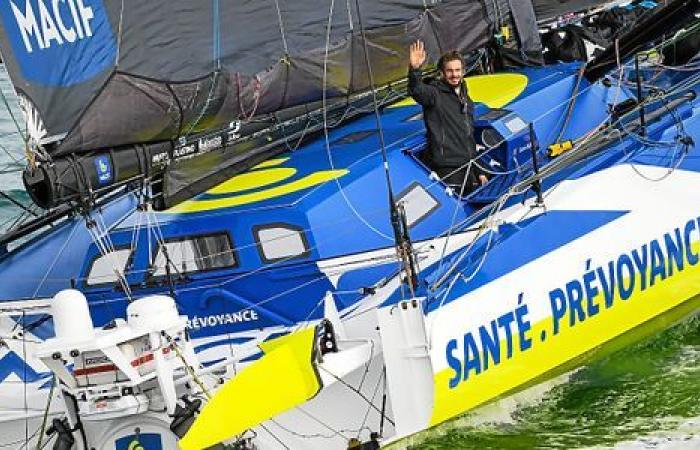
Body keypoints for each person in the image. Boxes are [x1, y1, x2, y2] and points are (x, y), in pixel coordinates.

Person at [408, 40, 487, 193]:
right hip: (448, 170)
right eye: (450, 71)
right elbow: (417, 91)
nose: (454, 74)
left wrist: (479, 171)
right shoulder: (434, 94)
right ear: (442, 73)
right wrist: (415, 69)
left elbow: (468, 135)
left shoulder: (465, 95)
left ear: (463, 71)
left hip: (469, 165)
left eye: (458, 70)